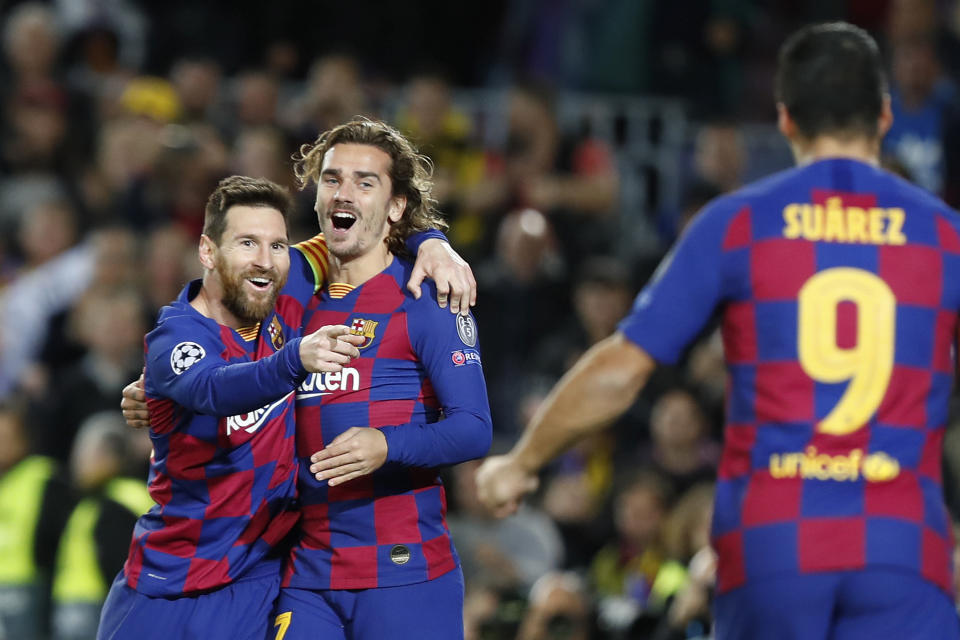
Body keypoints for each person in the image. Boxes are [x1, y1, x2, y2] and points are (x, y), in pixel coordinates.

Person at [477, 22, 960, 640]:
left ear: (785, 120)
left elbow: (625, 367)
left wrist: (521, 461)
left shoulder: (736, 224)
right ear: (885, 115)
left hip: (774, 541)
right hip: (901, 542)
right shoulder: (943, 235)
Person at [97, 175, 369, 640]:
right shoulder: (176, 339)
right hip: (170, 582)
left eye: (278, 245)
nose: (265, 261)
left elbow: (362, 228)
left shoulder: (282, 288)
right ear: (208, 251)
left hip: (258, 574)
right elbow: (214, 389)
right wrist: (294, 359)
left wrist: (433, 244)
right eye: (247, 243)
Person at [272, 118, 493, 639]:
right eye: (332, 179)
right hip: (304, 575)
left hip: (405, 574)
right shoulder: (290, 297)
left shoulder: (428, 298)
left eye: (364, 182)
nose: (343, 192)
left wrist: (385, 446)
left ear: (396, 207)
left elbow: (474, 428)